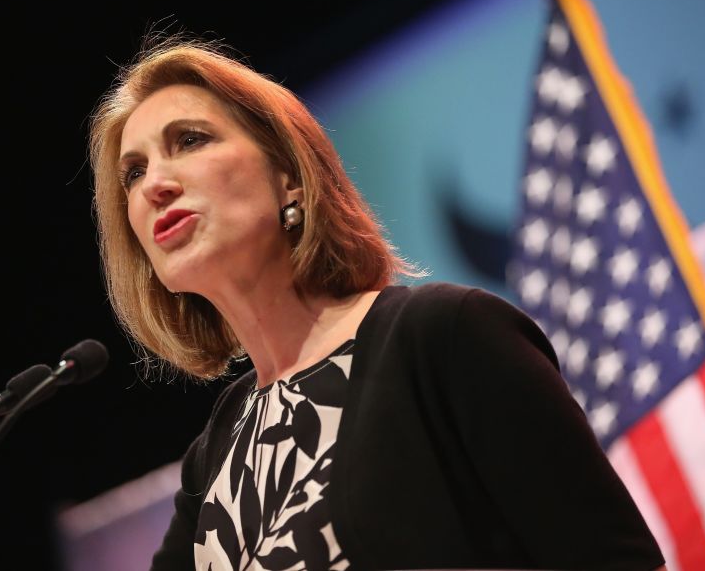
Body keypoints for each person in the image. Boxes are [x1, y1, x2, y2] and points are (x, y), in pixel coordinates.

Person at [87, 35, 667, 571]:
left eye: (189, 140)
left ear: (288, 175)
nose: (154, 185)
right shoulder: (214, 457)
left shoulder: (444, 337)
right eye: (132, 173)